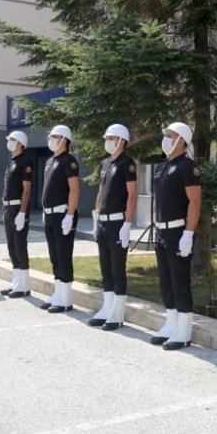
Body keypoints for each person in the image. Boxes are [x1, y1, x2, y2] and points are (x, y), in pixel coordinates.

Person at [149, 122, 201, 349]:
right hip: (161, 230)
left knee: (180, 280)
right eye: (166, 135)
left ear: (181, 140)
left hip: (179, 230)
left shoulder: (188, 167)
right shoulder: (161, 166)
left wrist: (188, 234)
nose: (166, 139)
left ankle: (184, 330)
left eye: (170, 135)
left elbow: (195, 202)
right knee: (165, 280)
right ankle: (171, 323)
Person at [88, 124, 137, 329]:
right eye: (106, 138)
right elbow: (101, 192)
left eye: (111, 138)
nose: (107, 142)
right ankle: (107, 308)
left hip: (118, 222)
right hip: (103, 222)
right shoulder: (105, 164)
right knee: (105, 267)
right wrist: (96, 218)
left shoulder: (127, 164)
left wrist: (127, 224)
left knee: (117, 268)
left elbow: (132, 195)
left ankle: (117, 313)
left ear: (122, 141)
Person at [40, 125, 80, 312]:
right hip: (50, 214)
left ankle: (66, 299)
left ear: (64, 140)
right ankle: (58, 293)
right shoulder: (50, 161)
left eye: (54, 136)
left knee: (64, 256)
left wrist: (69, 215)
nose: (51, 139)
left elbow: (74, 189)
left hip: (63, 214)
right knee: (54, 256)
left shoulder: (68, 161)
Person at [0, 130, 33, 298]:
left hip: (17, 208)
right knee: (11, 246)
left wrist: (22, 212)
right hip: (8, 208)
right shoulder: (12, 161)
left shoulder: (25, 161)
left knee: (20, 246)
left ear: (20, 143)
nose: (10, 142)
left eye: (12, 140)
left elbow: (26, 190)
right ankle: (16, 281)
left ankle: (24, 286)